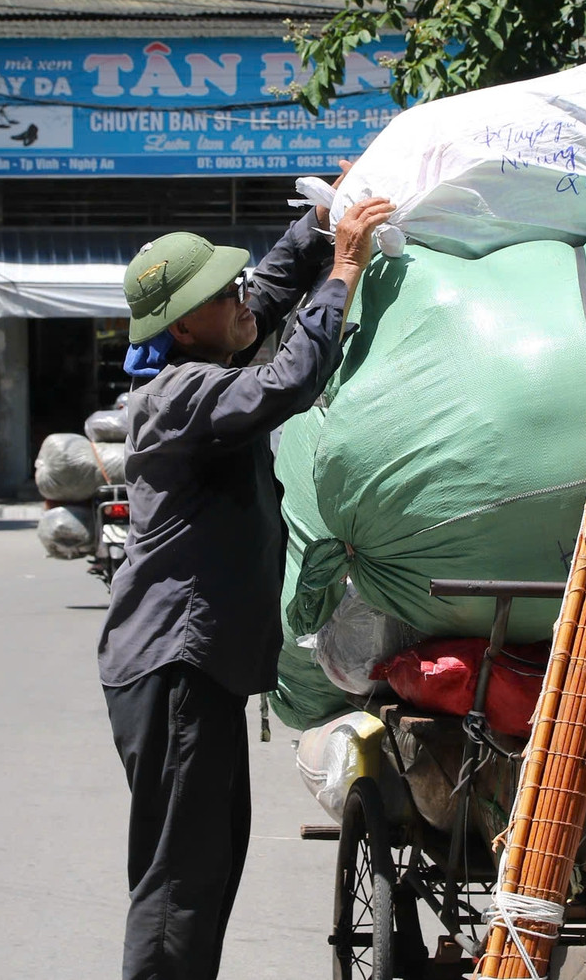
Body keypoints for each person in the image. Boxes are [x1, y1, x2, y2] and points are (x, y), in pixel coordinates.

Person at [97, 191, 393, 980]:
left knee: (212, 862)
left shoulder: (206, 352)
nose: (242, 300)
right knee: (180, 883)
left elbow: (261, 298)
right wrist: (346, 270)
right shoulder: (180, 397)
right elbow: (291, 378)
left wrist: (321, 223)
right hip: (176, 666)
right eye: (221, 295)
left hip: (199, 668)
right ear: (183, 326)